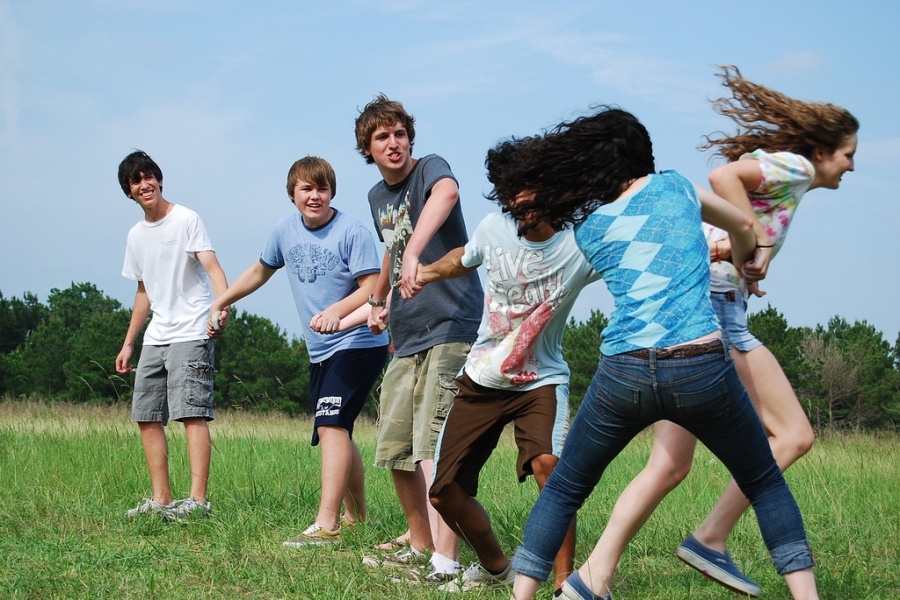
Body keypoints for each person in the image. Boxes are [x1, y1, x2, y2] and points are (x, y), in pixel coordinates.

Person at [500, 107, 821, 600]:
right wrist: (748, 257)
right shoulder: (675, 188)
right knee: (764, 482)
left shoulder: (589, 228)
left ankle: (522, 595)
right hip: (700, 367)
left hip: (623, 374)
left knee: (565, 489)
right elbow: (741, 222)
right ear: (642, 156)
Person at [584, 66, 858, 598]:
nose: (852, 164)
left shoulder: (794, 182)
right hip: (715, 312)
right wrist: (751, 238)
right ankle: (711, 537)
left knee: (669, 465)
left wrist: (754, 257)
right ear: (824, 151)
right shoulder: (797, 167)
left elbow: (741, 219)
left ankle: (593, 577)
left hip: (702, 301)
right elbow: (724, 178)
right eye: (848, 153)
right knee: (795, 434)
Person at [408, 140, 601, 589]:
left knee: (548, 466)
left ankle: (564, 583)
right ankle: (498, 567)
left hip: (541, 380)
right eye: (510, 190)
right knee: (443, 494)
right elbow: (466, 256)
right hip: (483, 377)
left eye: (529, 188)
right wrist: (426, 271)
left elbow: (630, 258)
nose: (520, 200)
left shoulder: (581, 243)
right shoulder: (494, 227)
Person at [207, 156, 388, 545]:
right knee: (338, 427)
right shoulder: (284, 231)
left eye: (322, 188)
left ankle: (328, 525)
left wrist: (337, 313)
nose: (315, 196)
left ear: (332, 192)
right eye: (307, 189)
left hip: (358, 341)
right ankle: (358, 516)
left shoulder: (351, 231)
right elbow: (259, 271)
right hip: (320, 348)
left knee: (330, 425)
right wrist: (221, 301)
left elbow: (374, 288)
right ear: (292, 194)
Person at [355, 95, 483, 581]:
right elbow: (393, 247)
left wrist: (414, 255)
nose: (394, 143)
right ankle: (420, 541)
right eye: (382, 137)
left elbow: (447, 195)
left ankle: (445, 563)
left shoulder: (430, 169)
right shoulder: (375, 197)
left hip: (452, 325)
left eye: (399, 133)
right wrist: (378, 300)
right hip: (406, 331)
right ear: (368, 148)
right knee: (395, 447)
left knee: (434, 445)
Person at [115, 150, 229, 522]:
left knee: (191, 413)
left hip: (192, 329)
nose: (144, 184)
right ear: (129, 192)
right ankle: (161, 499)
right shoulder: (135, 236)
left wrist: (221, 306)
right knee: (147, 416)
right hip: (156, 335)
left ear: (159, 181)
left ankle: (197, 502)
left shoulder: (186, 219)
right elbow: (144, 291)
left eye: (149, 176)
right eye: (136, 180)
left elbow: (212, 267)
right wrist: (130, 341)